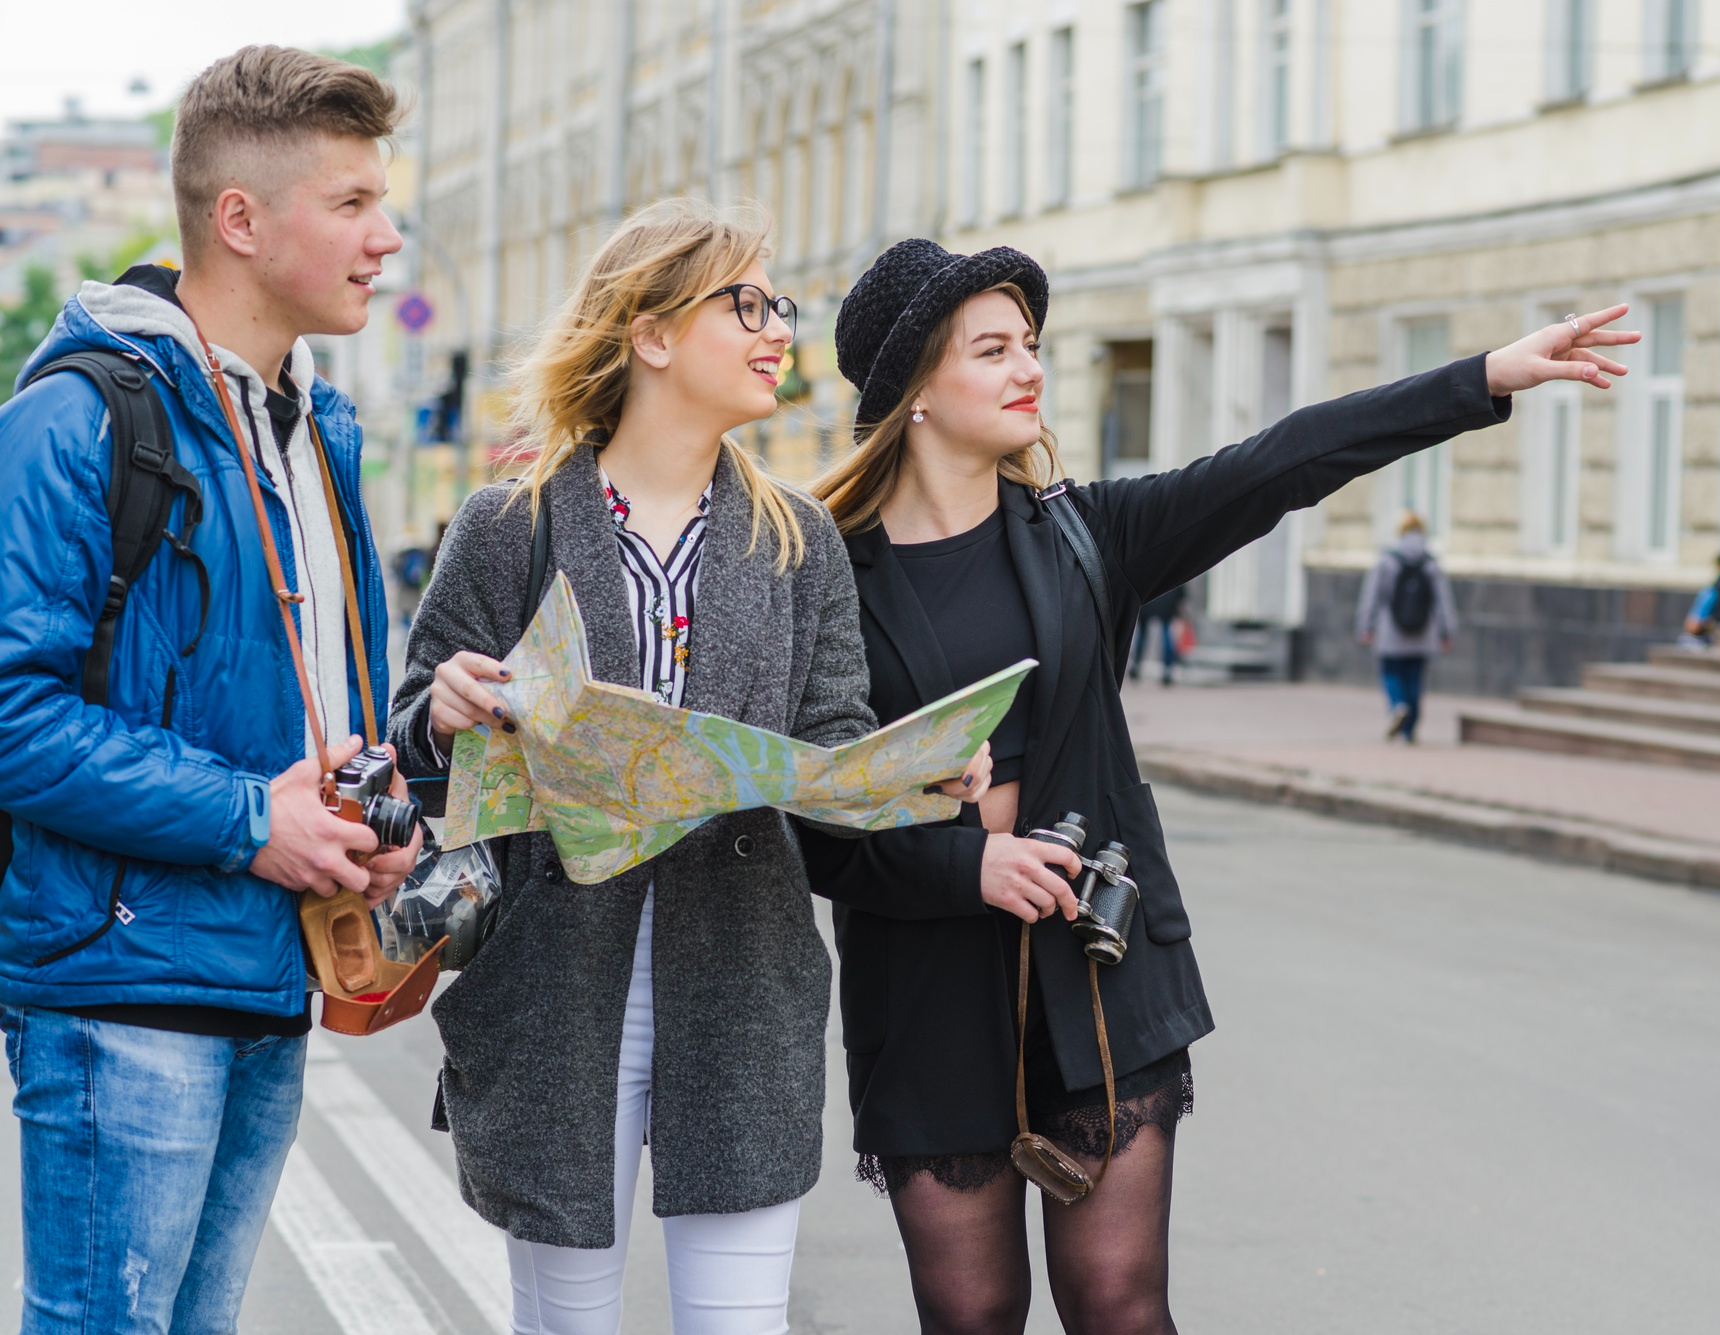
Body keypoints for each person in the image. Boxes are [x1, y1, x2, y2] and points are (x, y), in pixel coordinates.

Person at [802, 236, 1637, 1335]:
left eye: (1031, 345)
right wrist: (967, 856)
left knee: (1120, 1309)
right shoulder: (817, 576)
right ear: (911, 389)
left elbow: (1279, 461)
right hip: (928, 996)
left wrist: (1476, 379)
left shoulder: (1085, 535)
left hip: (1098, 978)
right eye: (992, 349)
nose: (1029, 369)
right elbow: (804, 816)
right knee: (972, 1317)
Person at [385, 201, 991, 1335]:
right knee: (565, 1321)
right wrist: (445, 712)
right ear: (650, 333)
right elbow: (414, 747)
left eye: (779, 308)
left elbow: (828, 742)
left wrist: (912, 777)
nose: (776, 332)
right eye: (746, 304)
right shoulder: (506, 527)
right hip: (555, 988)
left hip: (741, 985)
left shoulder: (796, 537)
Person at [0, 46, 422, 1332]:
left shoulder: (317, 426)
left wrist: (370, 808)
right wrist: (255, 821)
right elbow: (11, 715)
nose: (386, 238)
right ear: (239, 219)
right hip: (119, 987)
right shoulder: (79, 419)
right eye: (350, 204)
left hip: (268, 970)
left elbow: (307, 694)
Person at [1356, 510, 1457, 742]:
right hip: (1424, 631)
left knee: (1391, 672)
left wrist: (1366, 625)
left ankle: (1397, 706)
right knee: (1415, 679)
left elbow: (1371, 595)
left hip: (1390, 630)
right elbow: (1443, 600)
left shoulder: (1386, 559)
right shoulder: (1430, 561)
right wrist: (1447, 631)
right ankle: (1410, 731)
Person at [1131, 585, 1187, 685]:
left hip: (1148, 600)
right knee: (1166, 634)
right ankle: (1167, 669)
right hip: (1166, 600)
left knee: (1143, 635)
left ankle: (1136, 665)